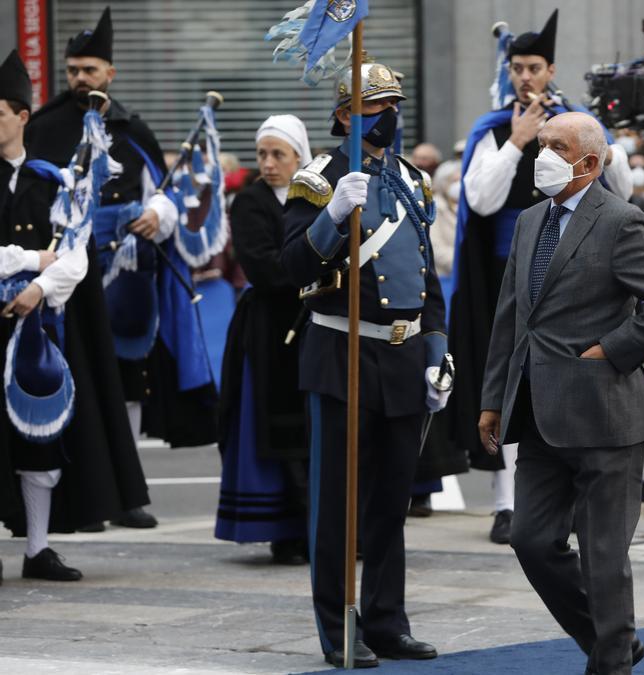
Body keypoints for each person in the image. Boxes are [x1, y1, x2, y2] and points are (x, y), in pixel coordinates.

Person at [477, 111, 644, 675]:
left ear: (590, 163)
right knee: (530, 541)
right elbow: (510, 316)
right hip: (538, 410)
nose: (541, 154)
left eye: (555, 146)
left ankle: (611, 660)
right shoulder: (528, 221)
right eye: (540, 143)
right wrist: (494, 397)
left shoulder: (621, 221)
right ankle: (611, 637)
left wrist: (612, 351)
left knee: (602, 556)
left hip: (606, 413)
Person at [280, 63, 444, 667]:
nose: (389, 117)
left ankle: (386, 621)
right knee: (337, 504)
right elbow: (293, 268)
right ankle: (337, 627)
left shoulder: (412, 181)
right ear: (347, 114)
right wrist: (329, 219)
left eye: (394, 104)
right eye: (376, 106)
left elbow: (428, 281)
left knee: (390, 501)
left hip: (401, 355)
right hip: (341, 351)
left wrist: (435, 351)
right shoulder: (319, 179)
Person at [449, 9, 632, 545]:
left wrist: (600, 143)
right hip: (511, 269)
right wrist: (515, 140)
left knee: (569, 375)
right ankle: (507, 504)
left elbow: (620, 185)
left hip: (577, 269)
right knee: (511, 379)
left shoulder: (577, 120)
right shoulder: (493, 128)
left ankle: (569, 495)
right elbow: (479, 198)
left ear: (551, 70)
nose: (524, 77)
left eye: (533, 67)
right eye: (517, 68)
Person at [0, 49, 152, 581]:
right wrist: (23, 260)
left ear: (21, 118)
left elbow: (77, 251)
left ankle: (37, 549)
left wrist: (38, 287)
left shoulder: (54, 180)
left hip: (38, 328)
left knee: (40, 440)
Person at [21, 7, 163, 531]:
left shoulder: (131, 127)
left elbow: (166, 194)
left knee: (118, 383)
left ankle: (122, 495)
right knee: (62, 379)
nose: (80, 79)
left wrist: (156, 213)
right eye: (73, 70)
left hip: (120, 278)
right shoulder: (43, 127)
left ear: (110, 73)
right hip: (59, 281)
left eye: (90, 70)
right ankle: (67, 501)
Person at [214, 115, 311, 565]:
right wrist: (320, 276)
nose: (269, 164)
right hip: (267, 329)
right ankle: (283, 529)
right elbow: (264, 267)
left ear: (298, 157)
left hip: (312, 324)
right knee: (274, 428)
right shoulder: (250, 201)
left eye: (278, 155)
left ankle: (319, 526)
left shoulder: (314, 197)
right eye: (262, 155)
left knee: (315, 429)